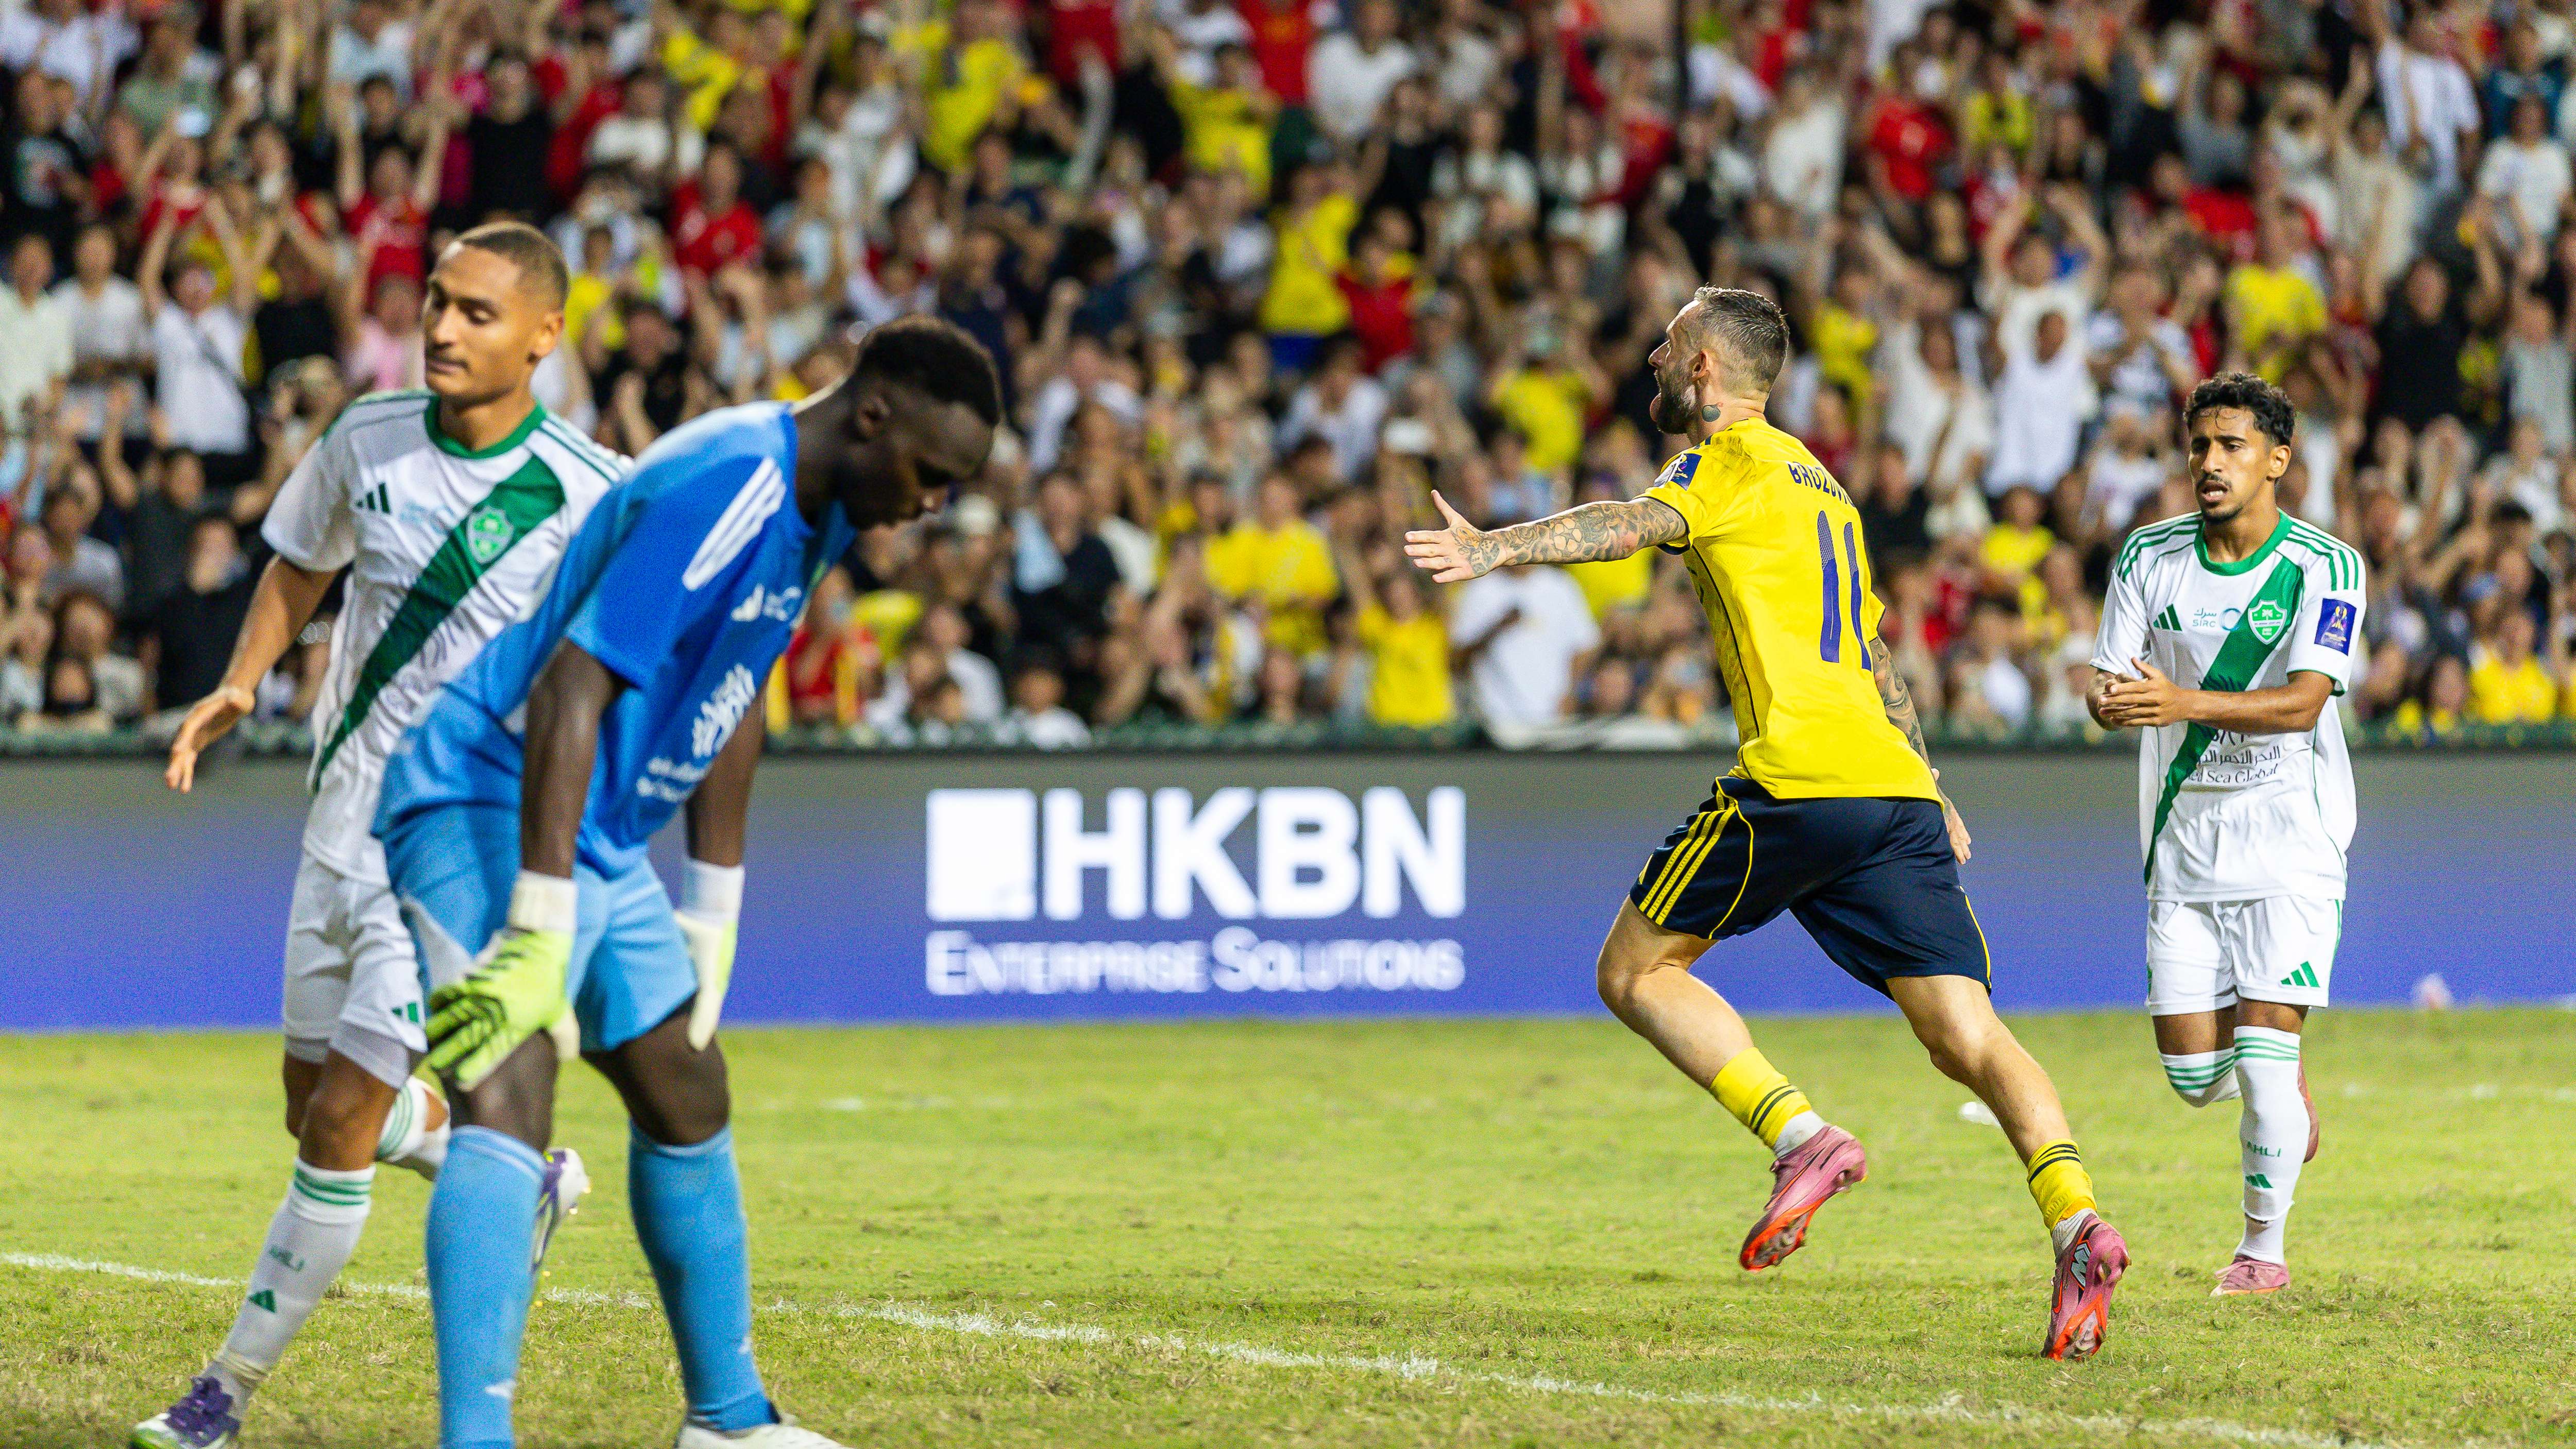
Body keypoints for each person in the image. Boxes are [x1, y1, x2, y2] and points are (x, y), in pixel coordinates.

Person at [1402, 285, 2129, 1360]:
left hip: (1795, 781)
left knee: (1635, 973)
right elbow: (1872, 647)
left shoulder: (1723, 465)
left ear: (1702, 367)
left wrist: (1496, 550)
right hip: (1890, 789)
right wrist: (1926, 778)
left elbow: (1630, 528)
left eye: (1667, 342)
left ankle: (1802, 1137)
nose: (1651, 354)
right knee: (1965, 1033)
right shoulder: (1822, 485)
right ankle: (2075, 1218)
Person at [372, 314, 998, 1449]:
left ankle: (729, 1423)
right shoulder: (728, 480)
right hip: (482, 790)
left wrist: (715, 904)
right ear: (872, 417)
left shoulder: (824, 508)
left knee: (685, 1091)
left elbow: (738, 689)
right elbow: (571, 686)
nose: (931, 505)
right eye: (932, 475)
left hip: (590, 825)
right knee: (509, 1091)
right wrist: (541, 925)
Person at [134, 222, 620, 1449]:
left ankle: (222, 1394)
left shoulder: (590, 494)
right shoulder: (366, 439)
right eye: (437, 306)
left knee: (345, 1116)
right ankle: (521, 1175)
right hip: (336, 825)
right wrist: (246, 678)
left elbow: (629, 665)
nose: (444, 331)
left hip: (454, 855)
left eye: (476, 314)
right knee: (309, 1106)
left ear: (546, 334)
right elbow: (300, 568)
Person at [2088, 372, 2364, 1298]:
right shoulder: (2147, 557)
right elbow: (2106, 680)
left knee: (2266, 1054)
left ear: (2278, 460)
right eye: (2200, 444)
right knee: (2194, 1073)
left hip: (2291, 840)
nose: (2210, 462)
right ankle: (2274, 1086)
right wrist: (2111, 700)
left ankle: (2262, 1252)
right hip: (2183, 842)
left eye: (2233, 445)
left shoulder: (2328, 567)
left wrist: (2180, 700)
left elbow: (2303, 704)